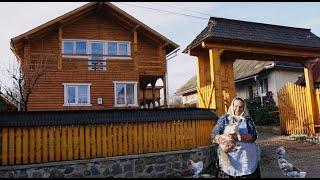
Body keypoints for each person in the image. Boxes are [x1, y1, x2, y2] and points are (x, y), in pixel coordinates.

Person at [211, 97, 261, 178]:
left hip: (246, 157)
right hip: (229, 154)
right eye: (236, 106)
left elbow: (254, 135)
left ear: (244, 108)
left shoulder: (247, 119)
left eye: (240, 107)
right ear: (232, 106)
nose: (238, 109)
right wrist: (223, 141)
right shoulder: (224, 119)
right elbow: (214, 133)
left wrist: (236, 137)